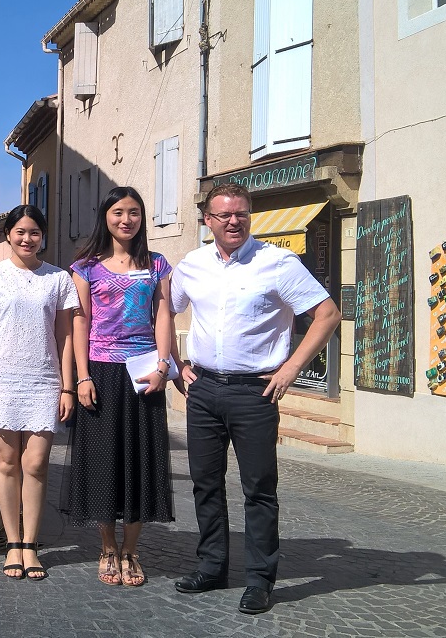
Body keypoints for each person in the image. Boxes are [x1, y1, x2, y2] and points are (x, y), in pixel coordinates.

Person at [169, 183, 341, 615]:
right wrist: (176, 363)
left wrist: (291, 369)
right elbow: (164, 309)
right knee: (206, 485)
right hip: (204, 389)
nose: (233, 221)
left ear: (250, 216)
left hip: (254, 392)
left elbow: (327, 314)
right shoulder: (192, 265)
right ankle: (211, 567)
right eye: (224, 215)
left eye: (241, 214)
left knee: (259, 489)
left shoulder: (277, 263)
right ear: (207, 220)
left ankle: (260, 580)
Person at [66, 186, 181, 589]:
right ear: (106, 217)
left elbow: (163, 313)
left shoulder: (157, 263)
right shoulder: (86, 266)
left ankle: (132, 549)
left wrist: (165, 364)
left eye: (133, 212)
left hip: (144, 370)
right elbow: (80, 322)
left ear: (142, 217)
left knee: (141, 459)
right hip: (99, 371)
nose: (126, 219)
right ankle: (107, 546)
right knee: (103, 461)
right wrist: (82, 376)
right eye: (118, 212)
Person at [0, 205, 79, 581]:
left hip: (44, 380)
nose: (26, 238)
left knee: (35, 464)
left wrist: (67, 386)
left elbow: (64, 337)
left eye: (33, 232)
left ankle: (31, 545)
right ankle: (12, 544)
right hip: (2, 380)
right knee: (5, 461)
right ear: (8, 235)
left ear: (43, 236)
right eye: (20, 231)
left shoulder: (59, 279)